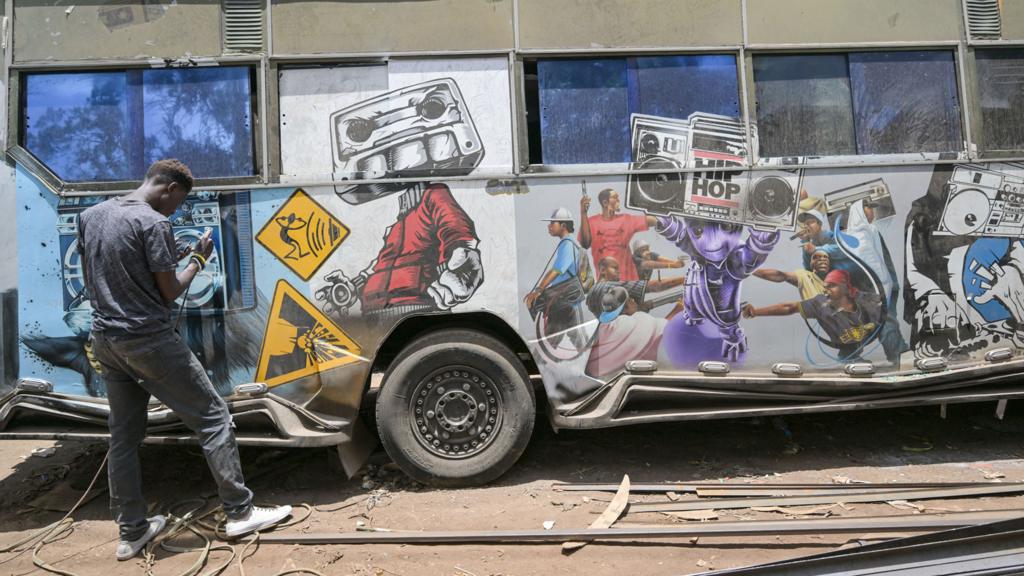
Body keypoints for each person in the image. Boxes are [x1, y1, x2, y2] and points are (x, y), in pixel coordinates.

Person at [80, 160, 291, 561]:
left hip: (107, 339)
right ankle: (240, 511)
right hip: (148, 340)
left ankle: (132, 533)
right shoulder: (152, 223)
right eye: (179, 203)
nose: (176, 212)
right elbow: (169, 293)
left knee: (123, 437)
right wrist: (198, 260)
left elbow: (110, 270)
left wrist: (172, 253)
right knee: (213, 417)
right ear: (171, 188)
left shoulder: (94, 215)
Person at [742, 269, 884, 361]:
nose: (827, 290)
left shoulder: (866, 300)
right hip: (848, 357)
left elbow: (887, 313)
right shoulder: (820, 303)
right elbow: (789, 308)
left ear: (846, 286)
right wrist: (756, 312)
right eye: (826, 286)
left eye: (832, 286)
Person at [525, 207, 588, 351]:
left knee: (579, 343)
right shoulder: (567, 244)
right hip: (562, 303)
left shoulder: (567, 244)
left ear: (563, 226)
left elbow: (556, 271)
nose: (549, 226)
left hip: (568, 303)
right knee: (550, 344)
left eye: (553, 223)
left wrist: (539, 290)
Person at [579, 188, 658, 281]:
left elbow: (653, 220)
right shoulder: (592, 222)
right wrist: (583, 213)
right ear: (605, 203)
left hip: (630, 282)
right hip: (607, 283)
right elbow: (585, 244)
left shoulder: (626, 219)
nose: (618, 200)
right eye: (615, 197)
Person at [753, 248, 831, 300]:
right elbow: (781, 275)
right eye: (816, 257)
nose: (822, 259)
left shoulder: (838, 277)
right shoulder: (805, 276)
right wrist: (749, 270)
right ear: (811, 264)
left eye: (825, 257)